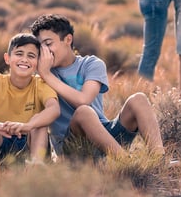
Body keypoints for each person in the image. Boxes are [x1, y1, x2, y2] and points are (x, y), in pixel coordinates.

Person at [29, 14, 166, 160]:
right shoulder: (42, 74)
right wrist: (44, 73)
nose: (44, 52)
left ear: (68, 40)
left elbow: (84, 99)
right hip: (72, 146)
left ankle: (160, 159)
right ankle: (125, 161)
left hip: (104, 135)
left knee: (138, 99)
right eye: (40, 47)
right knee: (83, 113)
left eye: (48, 44)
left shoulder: (91, 64)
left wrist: (47, 75)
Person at [0, 33, 60, 179]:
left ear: (37, 63)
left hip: (30, 142)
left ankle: (35, 167)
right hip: (2, 140)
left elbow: (54, 109)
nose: (24, 59)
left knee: (39, 121)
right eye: (19, 53)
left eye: (31, 56)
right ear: (7, 59)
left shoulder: (41, 84)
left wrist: (28, 125)